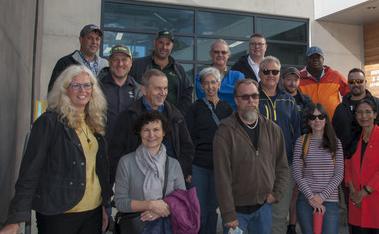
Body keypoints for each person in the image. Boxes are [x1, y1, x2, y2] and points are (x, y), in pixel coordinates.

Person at [0, 65, 112, 234]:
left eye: (87, 85)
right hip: (58, 213)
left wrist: (104, 204)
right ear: (64, 89)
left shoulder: (93, 123)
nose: (83, 90)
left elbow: (97, 170)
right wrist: (15, 219)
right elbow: (29, 172)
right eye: (76, 85)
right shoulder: (49, 122)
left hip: (93, 213)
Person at [213, 79, 289, 234]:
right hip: (237, 211)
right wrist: (228, 213)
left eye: (254, 96)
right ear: (236, 100)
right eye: (245, 97)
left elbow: (282, 166)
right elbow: (222, 177)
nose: (251, 101)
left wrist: (276, 193)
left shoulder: (273, 130)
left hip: (264, 207)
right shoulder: (225, 132)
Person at [108, 69, 194, 184]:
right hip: (138, 183)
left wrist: (181, 171)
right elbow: (116, 151)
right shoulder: (129, 116)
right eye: (157, 88)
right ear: (143, 90)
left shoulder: (175, 115)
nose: (162, 93)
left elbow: (186, 147)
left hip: (170, 181)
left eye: (165, 88)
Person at [113, 110, 186, 233]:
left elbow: (182, 199)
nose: (151, 135)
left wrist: (162, 210)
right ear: (140, 133)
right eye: (146, 130)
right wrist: (150, 205)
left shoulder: (174, 164)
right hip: (136, 227)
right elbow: (120, 202)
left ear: (163, 133)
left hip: (166, 226)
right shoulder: (126, 162)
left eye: (156, 130)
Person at [257, 57, 301, 234]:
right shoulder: (252, 98)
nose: (270, 75)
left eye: (274, 72)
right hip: (257, 167)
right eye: (266, 71)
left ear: (279, 75)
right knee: (256, 214)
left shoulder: (289, 101)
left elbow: (297, 135)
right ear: (259, 74)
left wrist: (298, 166)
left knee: (279, 215)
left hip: (285, 167)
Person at [187, 67, 233, 234]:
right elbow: (188, 139)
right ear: (201, 86)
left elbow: (231, 139)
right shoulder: (194, 109)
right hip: (198, 166)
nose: (210, 86)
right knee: (199, 211)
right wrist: (188, 169)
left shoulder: (227, 109)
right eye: (206, 83)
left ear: (219, 84)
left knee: (212, 209)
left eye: (213, 82)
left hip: (220, 167)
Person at [345, 99, 379, 233]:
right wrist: (354, 194)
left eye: (368, 112)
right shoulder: (354, 139)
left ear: (375, 115)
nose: (364, 116)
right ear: (355, 116)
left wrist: (363, 193)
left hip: (378, 203)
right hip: (356, 202)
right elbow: (348, 167)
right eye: (360, 113)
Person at [292, 103, 344, 234]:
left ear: (326, 119)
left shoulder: (335, 142)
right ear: (308, 121)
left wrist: (322, 197)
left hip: (329, 201)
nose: (317, 120)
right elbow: (297, 173)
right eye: (313, 117)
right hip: (306, 201)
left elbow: (339, 174)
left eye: (321, 117)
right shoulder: (301, 142)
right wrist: (312, 197)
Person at [332, 68, 379, 158]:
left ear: (365, 82)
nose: (356, 84)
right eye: (352, 82)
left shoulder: (378, 105)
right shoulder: (340, 109)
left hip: (374, 160)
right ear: (348, 84)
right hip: (347, 162)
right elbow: (334, 136)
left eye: (359, 81)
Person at [129, 30, 193, 116]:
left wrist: (179, 115)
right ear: (154, 43)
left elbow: (187, 94)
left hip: (170, 122)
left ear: (172, 46)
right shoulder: (138, 65)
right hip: (143, 120)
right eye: (161, 43)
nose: (164, 47)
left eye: (168, 44)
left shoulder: (179, 69)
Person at [281, 66, 313, 234]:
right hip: (282, 153)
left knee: (296, 190)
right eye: (289, 79)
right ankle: (279, 221)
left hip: (301, 153)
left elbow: (311, 126)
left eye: (295, 79)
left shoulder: (306, 101)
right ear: (283, 81)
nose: (292, 83)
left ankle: (291, 226)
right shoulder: (279, 99)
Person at [48, 24, 109, 92]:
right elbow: (54, 93)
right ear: (81, 39)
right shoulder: (65, 63)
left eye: (97, 39)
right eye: (89, 38)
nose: (94, 42)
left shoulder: (106, 66)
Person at [99, 44, 142, 139]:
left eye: (124, 60)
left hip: (130, 149)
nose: (120, 64)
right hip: (102, 148)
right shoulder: (96, 88)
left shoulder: (139, 91)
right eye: (115, 60)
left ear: (130, 63)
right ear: (109, 62)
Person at [298, 46, 349, 119]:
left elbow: (348, 93)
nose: (315, 60)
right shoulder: (299, 77)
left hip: (334, 123)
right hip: (311, 123)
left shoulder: (335, 75)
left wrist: (345, 110)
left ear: (323, 59)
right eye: (312, 57)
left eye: (318, 57)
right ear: (306, 60)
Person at [195, 39, 244, 108]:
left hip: (232, 117)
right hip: (209, 117)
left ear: (228, 55)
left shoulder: (238, 76)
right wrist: (232, 92)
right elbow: (204, 97)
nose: (220, 55)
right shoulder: (201, 75)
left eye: (223, 52)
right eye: (216, 52)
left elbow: (242, 97)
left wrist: (212, 91)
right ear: (210, 54)